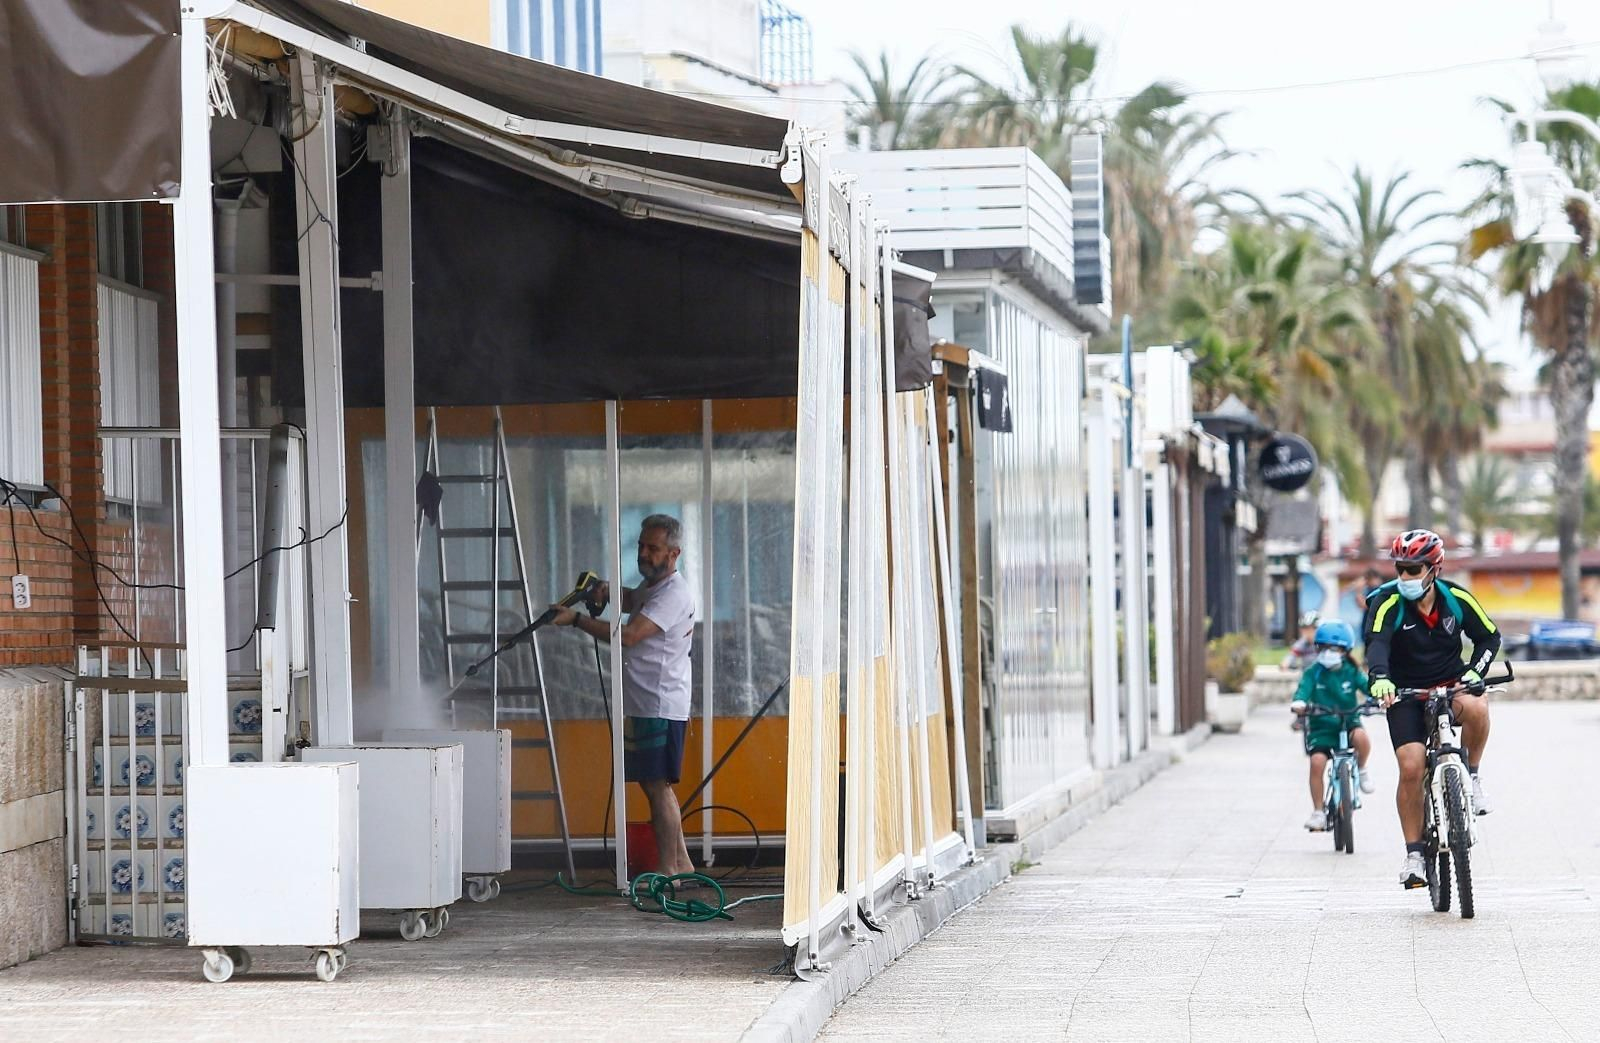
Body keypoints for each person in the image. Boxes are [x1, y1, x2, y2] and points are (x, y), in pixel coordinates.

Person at [551, 514, 697, 877]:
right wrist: (607, 590)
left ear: (674, 553)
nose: (644, 554)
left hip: (659, 703)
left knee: (657, 787)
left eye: (654, 548)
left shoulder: (674, 593)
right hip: (647, 702)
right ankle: (682, 866)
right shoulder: (655, 588)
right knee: (655, 785)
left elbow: (631, 635)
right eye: (641, 546)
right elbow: (633, 598)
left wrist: (576, 621)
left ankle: (666, 873)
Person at [1363, 528, 1500, 889]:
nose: (1405, 577)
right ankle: (1414, 856)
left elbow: (1490, 636)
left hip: (1451, 685)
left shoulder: (1456, 599)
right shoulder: (1387, 603)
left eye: (1413, 569)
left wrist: (1475, 672)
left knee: (1478, 707)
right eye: (1400, 569)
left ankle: (1471, 775)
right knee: (1411, 767)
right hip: (1404, 692)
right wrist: (1379, 677)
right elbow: (1376, 644)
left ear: (1433, 569)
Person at [1293, 620, 1374, 832]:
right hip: (1321, 726)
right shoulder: (1313, 672)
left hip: (1349, 721)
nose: (1330, 652)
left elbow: (1368, 688)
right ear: (1318, 648)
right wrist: (1300, 703)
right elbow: (1303, 690)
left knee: (1362, 739)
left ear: (1345, 651)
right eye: (1325, 647)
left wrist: (1379, 698)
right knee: (1317, 762)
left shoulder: (1351, 671)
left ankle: (1362, 769)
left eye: (1336, 648)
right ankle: (1318, 812)